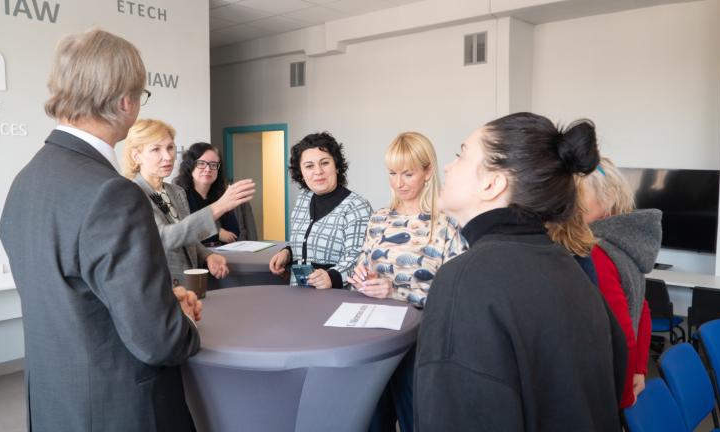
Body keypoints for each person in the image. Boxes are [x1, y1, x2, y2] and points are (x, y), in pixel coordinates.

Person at [0, 29, 202, 431]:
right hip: (118, 408)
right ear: (126, 101)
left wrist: (160, 301)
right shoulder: (112, 193)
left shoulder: (26, 180)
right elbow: (158, 342)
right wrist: (181, 322)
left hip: (55, 402)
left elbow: (78, 295)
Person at [414, 112, 624, 431]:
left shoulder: (464, 280)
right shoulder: (568, 266)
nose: (447, 166)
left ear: (492, 183)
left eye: (461, 154)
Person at [347, 132, 466, 432]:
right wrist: (361, 278)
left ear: (428, 172)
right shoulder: (379, 218)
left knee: (417, 419)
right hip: (374, 337)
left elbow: (457, 294)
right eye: (392, 173)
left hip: (421, 341)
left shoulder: (446, 224)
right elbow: (363, 266)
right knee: (372, 420)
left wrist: (395, 291)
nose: (398, 183)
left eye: (408, 174)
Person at [122, 119, 255, 286]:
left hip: (188, 286)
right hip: (159, 287)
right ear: (136, 156)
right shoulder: (130, 193)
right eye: (156, 149)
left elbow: (187, 236)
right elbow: (164, 238)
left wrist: (207, 255)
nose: (168, 156)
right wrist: (219, 206)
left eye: (170, 147)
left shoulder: (176, 191)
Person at [582, 157, 661, 408]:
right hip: (622, 375)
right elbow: (641, 308)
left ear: (607, 199)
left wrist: (623, 397)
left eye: (577, 195)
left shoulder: (595, 252)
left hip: (605, 386)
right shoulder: (625, 244)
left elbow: (621, 333)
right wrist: (638, 368)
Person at [269, 132, 372, 289]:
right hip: (298, 293)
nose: (318, 171)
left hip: (336, 296)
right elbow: (305, 241)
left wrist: (331, 277)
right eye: (309, 166)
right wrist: (287, 253)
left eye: (324, 163)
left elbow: (357, 259)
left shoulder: (357, 206)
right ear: (301, 173)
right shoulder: (303, 199)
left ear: (337, 166)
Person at [174, 142, 241, 245]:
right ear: (190, 166)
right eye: (201, 163)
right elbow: (183, 233)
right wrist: (216, 233)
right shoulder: (179, 195)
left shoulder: (221, 194)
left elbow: (233, 233)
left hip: (223, 252)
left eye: (213, 164)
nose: (208, 169)